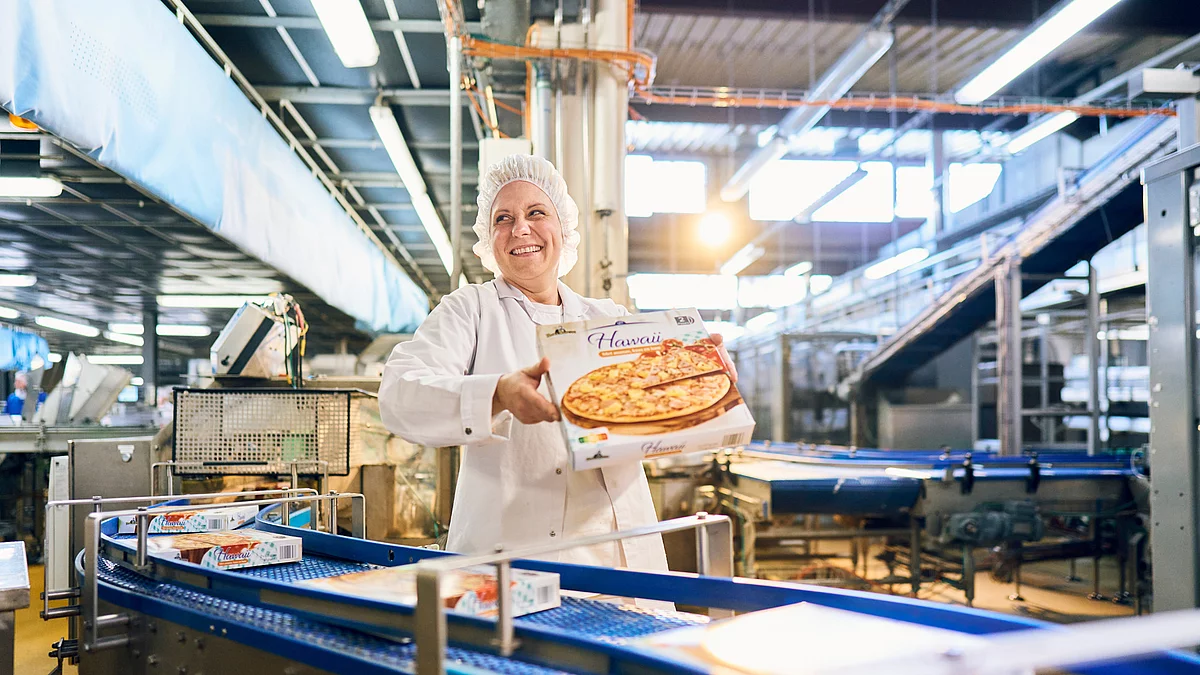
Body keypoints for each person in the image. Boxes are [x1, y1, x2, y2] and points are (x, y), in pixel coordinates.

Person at [379, 155, 736, 582]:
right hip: (511, 564)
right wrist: (497, 394)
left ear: (562, 228)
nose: (520, 229)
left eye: (536, 213)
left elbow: (661, 416)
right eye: (503, 218)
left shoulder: (607, 318)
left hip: (616, 560)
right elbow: (399, 393)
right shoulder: (471, 309)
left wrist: (704, 374)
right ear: (488, 238)